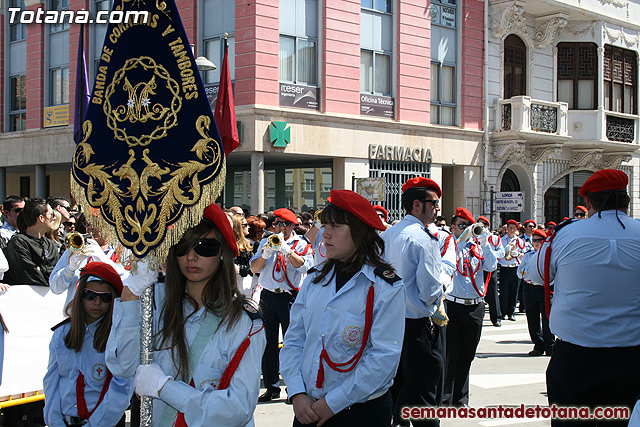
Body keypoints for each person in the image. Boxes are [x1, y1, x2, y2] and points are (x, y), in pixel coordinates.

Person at [106, 203, 266, 426]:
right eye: (182, 247)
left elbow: (238, 408)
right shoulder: (153, 303)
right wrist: (131, 293)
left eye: (205, 247)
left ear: (222, 253)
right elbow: (123, 367)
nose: (191, 257)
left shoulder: (244, 321)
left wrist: (164, 387)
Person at [280, 190, 406, 427]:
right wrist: (296, 393)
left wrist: (332, 403)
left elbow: (383, 358)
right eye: (324, 225)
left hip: (360, 412)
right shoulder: (315, 278)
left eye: (335, 226)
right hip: (307, 408)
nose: (325, 234)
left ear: (359, 233)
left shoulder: (386, 287)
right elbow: (294, 340)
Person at [526, 169, 640, 427]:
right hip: (631, 358)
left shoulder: (565, 234)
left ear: (588, 203)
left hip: (576, 359)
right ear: (627, 201)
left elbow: (535, 275)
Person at [381, 177, 445, 427]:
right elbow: (430, 291)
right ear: (417, 205)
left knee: (393, 391)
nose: (437, 208)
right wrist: (443, 288)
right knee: (424, 399)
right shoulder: (422, 239)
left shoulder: (388, 234)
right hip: (418, 326)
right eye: (434, 203)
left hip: (390, 324)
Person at [43, 262, 134, 427]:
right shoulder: (62, 333)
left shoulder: (119, 337)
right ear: (80, 296)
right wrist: (55, 422)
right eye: (90, 295)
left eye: (105, 297)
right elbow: (52, 382)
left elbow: (122, 388)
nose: (97, 302)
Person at [250, 208, 314, 402]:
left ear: (294, 225)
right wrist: (266, 253)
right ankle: (272, 386)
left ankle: (293, 387)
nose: (281, 228)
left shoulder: (301, 243)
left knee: (292, 343)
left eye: (286, 224)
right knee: (268, 343)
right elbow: (255, 268)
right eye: (278, 223)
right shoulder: (265, 241)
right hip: (269, 297)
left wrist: (287, 250)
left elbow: (305, 266)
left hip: (290, 297)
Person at [443, 208, 497, 407]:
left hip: (474, 306)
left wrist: (484, 241)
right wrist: (459, 240)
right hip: (453, 304)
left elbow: (491, 266)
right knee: (450, 353)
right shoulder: (450, 245)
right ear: (453, 227)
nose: (465, 229)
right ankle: (445, 397)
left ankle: (461, 397)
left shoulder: (479, 247)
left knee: (467, 354)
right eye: (461, 225)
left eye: (468, 226)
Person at [4, 198, 61, 287]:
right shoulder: (19, 243)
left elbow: (56, 274)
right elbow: (29, 275)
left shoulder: (50, 245)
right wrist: (46, 273)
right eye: (51, 214)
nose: (54, 218)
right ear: (41, 218)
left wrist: (41, 269)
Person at [517, 228, 554, 357]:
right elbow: (519, 272)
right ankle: (538, 344)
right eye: (534, 241)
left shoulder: (549, 255)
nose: (536, 243)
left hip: (544, 288)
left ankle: (550, 344)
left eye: (539, 240)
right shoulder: (528, 255)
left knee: (547, 317)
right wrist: (527, 270)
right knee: (532, 317)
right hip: (530, 288)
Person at [477, 216, 504, 327]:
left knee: (492, 293)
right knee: (478, 293)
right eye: (480, 225)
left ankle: (496, 317)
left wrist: (491, 255)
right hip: (479, 268)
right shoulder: (475, 236)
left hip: (490, 268)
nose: (482, 227)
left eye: (484, 225)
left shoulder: (495, 239)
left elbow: (502, 252)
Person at [497, 219, 524, 321]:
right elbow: (497, 253)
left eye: (514, 228)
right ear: (506, 229)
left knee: (514, 291)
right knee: (504, 291)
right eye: (510, 228)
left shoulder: (520, 241)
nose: (511, 230)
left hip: (515, 267)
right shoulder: (501, 240)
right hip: (504, 268)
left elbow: (525, 254)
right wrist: (504, 251)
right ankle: (503, 312)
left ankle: (511, 313)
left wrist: (518, 254)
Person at [232, 214, 254, 299]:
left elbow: (252, 265)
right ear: (238, 227)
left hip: (247, 285)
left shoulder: (247, 244)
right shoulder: (230, 245)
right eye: (245, 225)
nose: (248, 227)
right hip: (234, 285)